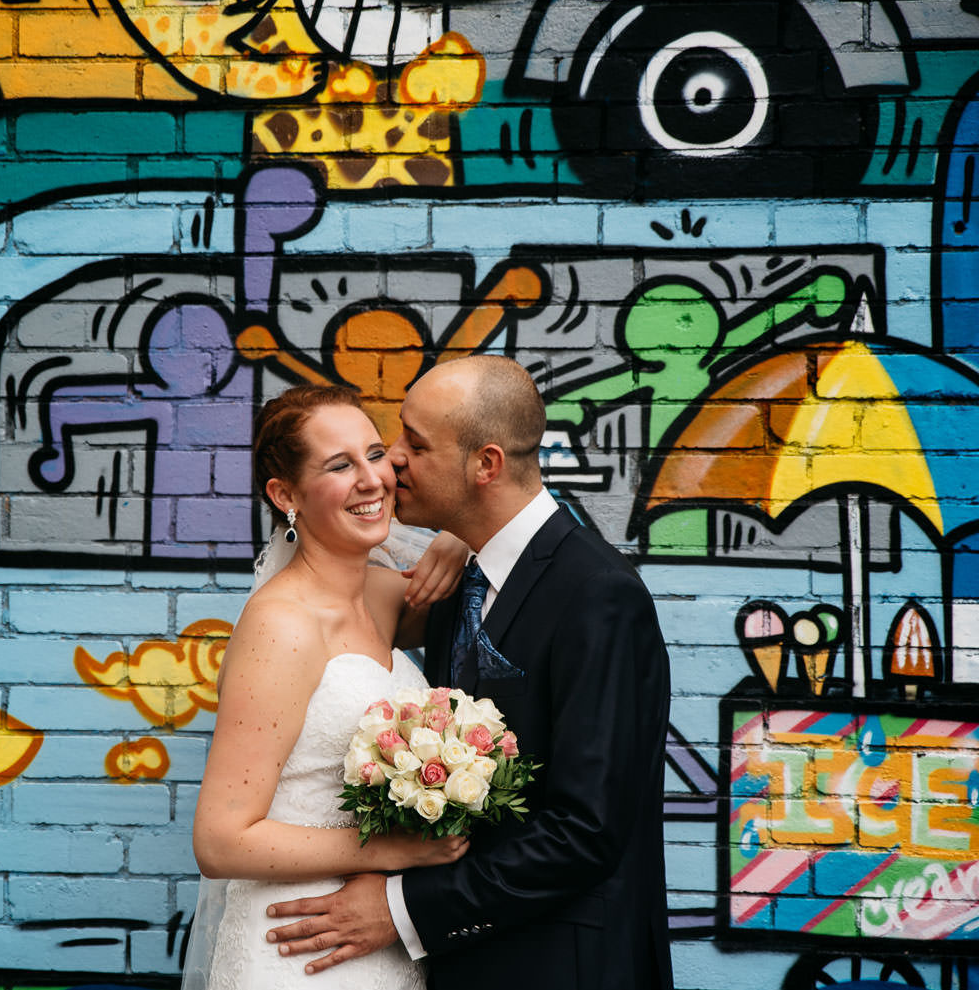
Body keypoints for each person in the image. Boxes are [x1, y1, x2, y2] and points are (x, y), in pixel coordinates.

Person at [264, 356, 674, 990]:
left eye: (414, 444)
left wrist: (401, 909)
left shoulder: (599, 595)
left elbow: (585, 833)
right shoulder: (462, 581)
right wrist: (461, 535)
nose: (391, 460)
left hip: (563, 967)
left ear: (486, 465)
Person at [184, 384, 471, 989]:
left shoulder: (383, 595)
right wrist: (392, 850)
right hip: (298, 946)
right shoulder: (282, 626)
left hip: (382, 944)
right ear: (285, 495)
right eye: (339, 466)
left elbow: (495, 576)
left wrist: (460, 535)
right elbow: (221, 840)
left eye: (374, 454)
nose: (372, 479)